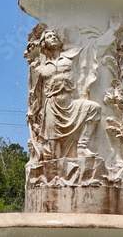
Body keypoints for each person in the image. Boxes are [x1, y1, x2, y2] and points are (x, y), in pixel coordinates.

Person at [27, 30, 101, 160]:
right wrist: (32, 113)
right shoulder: (40, 69)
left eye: (55, 36)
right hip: (52, 109)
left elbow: (90, 48)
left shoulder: (69, 59)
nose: (53, 38)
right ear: (44, 44)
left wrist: (111, 31)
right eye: (49, 37)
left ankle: (82, 147)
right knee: (55, 155)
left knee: (94, 108)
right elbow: (36, 94)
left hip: (70, 104)